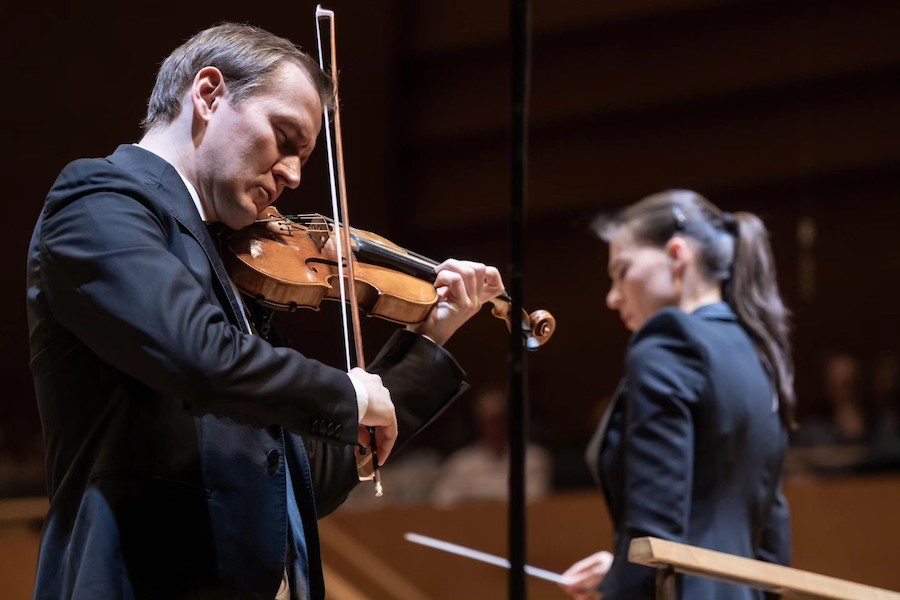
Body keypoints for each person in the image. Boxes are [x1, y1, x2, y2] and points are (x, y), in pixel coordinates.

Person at [26, 23, 504, 599]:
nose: (295, 175)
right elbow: (199, 356)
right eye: (284, 137)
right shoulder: (100, 200)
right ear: (208, 94)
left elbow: (299, 482)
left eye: (304, 155)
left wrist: (434, 332)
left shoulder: (229, 261)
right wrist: (347, 394)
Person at [561, 190, 794, 600]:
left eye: (621, 271)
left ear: (676, 255)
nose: (612, 297)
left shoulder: (667, 341)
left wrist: (625, 588)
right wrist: (619, 570)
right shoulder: (760, 351)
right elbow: (771, 534)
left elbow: (657, 527)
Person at [430, 386, 552, 507]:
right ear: (478, 423)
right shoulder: (461, 462)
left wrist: (475, 500)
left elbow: (533, 499)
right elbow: (442, 501)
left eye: (500, 420)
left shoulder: (533, 458)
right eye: (488, 422)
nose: (495, 428)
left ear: (511, 419)